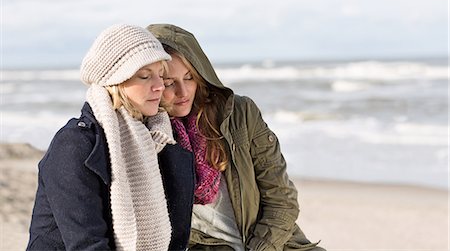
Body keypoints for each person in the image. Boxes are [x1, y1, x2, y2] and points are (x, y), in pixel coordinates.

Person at [146, 24, 325, 251]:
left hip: (273, 244)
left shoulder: (240, 114)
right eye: (170, 83)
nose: (183, 92)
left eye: (190, 78)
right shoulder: (147, 137)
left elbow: (282, 200)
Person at [27, 24, 195, 251]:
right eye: (145, 76)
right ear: (114, 81)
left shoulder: (159, 140)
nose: (158, 87)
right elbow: (87, 245)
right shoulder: (74, 145)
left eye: (161, 76)